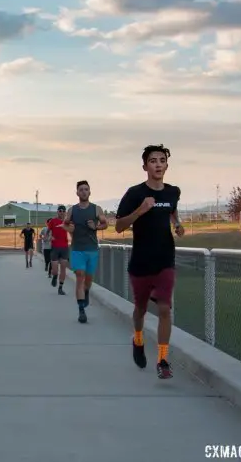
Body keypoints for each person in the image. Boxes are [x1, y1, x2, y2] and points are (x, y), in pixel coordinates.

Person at [115, 144, 184, 380]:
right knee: (141, 310)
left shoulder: (173, 191)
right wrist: (140, 211)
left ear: (166, 165)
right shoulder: (134, 193)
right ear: (145, 166)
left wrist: (177, 224)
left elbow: (172, 211)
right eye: (153, 160)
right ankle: (138, 338)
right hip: (141, 261)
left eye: (162, 160)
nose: (158, 164)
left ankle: (163, 359)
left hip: (165, 258)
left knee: (165, 308)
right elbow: (119, 226)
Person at [63, 181, 108, 324]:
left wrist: (95, 226)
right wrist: (70, 229)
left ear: (90, 192)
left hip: (92, 249)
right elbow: (65, 223)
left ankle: (86, 292)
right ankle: (81, 310)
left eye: (86, 189)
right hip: (77, 249)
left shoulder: (96, 209)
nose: (83, 192)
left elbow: (105, 224)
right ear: (77, 193)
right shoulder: (72, 210)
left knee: (88, 280)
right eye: (81, 190)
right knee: (80, 276)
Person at [47, 205, 69, 295]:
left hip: (64, 247)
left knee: (63, 268)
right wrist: (49, 237)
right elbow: (47, 233)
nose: (61, 212)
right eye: (60, 210)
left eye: (63, 210)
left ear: (65, 212)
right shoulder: (53, 221)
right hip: (55, 247)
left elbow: (72, 231)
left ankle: (60, 287)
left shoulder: (68, 222)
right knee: (55, 270)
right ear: (57, 212)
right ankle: (55, 276)